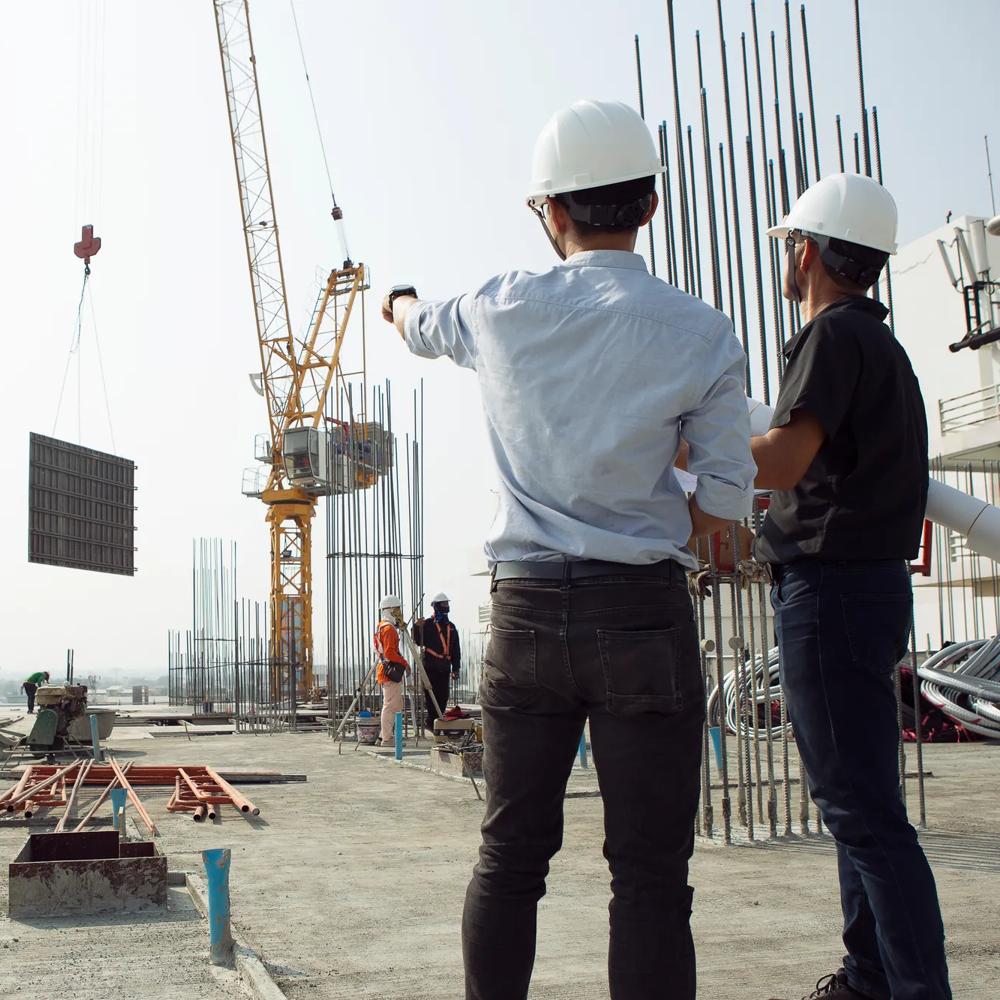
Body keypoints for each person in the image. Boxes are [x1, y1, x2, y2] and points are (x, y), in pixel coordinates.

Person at [383, 99, 755, 1000]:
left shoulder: (500, 306)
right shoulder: (701, 330)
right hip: (643, 616)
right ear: (651, 207)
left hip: (527, 616)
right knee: (652, 879)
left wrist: (395, 300)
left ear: (551, 212)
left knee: (511, 857)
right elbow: (727, 514)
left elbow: (416, 323)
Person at [750, 173, 951, 1000]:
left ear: (809, 252)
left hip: (829, 593)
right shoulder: (885, 349)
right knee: (858, 806)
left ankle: (911, 988)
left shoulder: (832, 339)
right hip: (863, 591)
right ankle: (871, 978)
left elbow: (786, 461)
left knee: (864, 814)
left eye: (792, 248)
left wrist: (679, 449)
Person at [412, 592, 461, 733]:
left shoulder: (451, 627)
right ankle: (432, 723)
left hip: (444, 667)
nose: (447, 606)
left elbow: (456, 650)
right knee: (430, 697)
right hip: (430, 666)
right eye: (444, 604)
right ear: (437, 606)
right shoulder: (427, 624)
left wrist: (456, 668)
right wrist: (416, 627)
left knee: (443, 696)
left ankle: (438, 722)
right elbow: (417, 640)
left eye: (448, 604)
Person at [373, 595, 411, 748]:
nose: (399, 612)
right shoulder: (388, 629)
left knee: (394, 705)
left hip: (386, 670)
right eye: (396, 609)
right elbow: (389, 653)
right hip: (390, 670)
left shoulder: (383, 627)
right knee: (390, 706)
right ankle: (387, 739)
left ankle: (384, 735)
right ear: (390, 610)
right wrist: (405, 663)